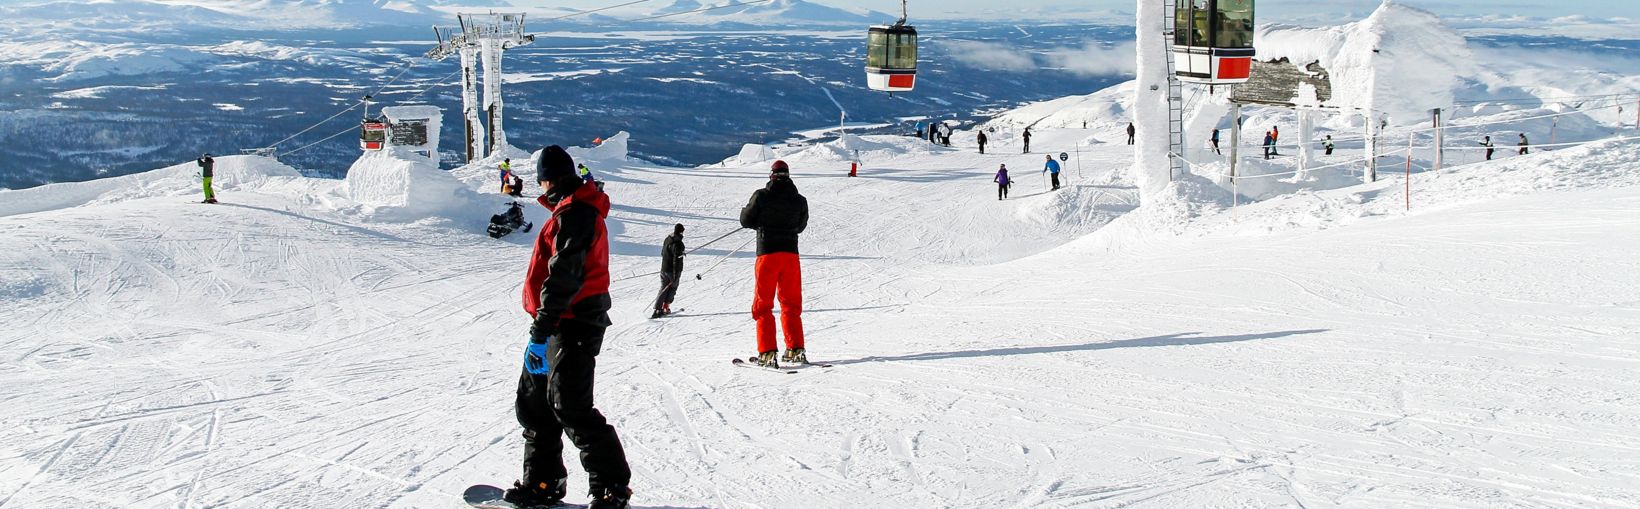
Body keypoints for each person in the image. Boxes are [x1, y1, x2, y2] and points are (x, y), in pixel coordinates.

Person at [508, 145, 632, 509]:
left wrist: (541, 330)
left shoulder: (577, 213)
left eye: (541, 180)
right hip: (554, 322)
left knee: (570, 404)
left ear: (551, 178)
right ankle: (544, 481)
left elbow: (565, 275)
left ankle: (611, 486)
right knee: (535, 404)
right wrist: (542, 326)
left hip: (574, 321)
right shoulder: (568, 210)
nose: (541, 187)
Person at [739, 160, 809, 368]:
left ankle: (768, 351)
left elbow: (746, 220)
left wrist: (760, 220)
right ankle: (795, 348)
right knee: (791, 303)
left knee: (763, 305)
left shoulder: (761, 196)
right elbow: (800, 226)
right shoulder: (800, 200)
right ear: (788, 176)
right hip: (790, 255)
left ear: (771, 176)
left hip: (767, 254)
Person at [653, 224, 685, 319]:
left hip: (664, 269)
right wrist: (675, 275)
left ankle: (657, 309)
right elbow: (676, 260)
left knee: (663, 288)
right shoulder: (678, 243)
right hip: (673, 271)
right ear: (681, 231)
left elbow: (663, 253)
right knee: (672, 288)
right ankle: (665, 307)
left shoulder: (667, 239)